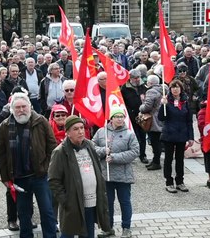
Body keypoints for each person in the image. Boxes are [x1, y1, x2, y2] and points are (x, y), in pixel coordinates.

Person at [0, 92, 57, 238]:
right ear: (12, 109)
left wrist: (47, 167)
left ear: (30, 107)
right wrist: (5, 177)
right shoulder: (4, 126)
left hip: (40, 176)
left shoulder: (41, 121)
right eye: (17, 107)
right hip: (19, 178)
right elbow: (2, 154)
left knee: (47, 211)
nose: (21, 110)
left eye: (24, 106)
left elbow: (52, 146)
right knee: (23, 214)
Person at [48, 115, 110, 238]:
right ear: (68, 132)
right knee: (68, 234)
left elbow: (97, 169)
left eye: (82, 127)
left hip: (92, 201)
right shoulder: (60, 152)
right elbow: (53, 180)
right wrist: (65, 200)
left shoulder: (90, 145)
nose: (80, 131)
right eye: (75, 129)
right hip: (73, 203)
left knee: (88, 234)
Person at [92, 105, 139, 238]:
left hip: (123, 175)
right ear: (111, 119)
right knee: (107, 203)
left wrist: (114, 157)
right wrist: (102, 151)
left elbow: (135, 152)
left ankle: (126, 227)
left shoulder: (129, 134)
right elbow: (92, 146)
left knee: (125, 202)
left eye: (121, 116)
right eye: (116, 116)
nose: (119, 119)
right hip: (105, 175)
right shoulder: (101, 132)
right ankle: (108, 227)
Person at [158, 80, 194, 193]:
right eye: (173, 87)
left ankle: (180, 181)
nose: (175, 89)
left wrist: (191, 136)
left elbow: (189, 121)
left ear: (181, 89)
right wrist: (162, 106)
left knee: (180, 159)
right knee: (168, 159)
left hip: (181, 134)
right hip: (169, 134)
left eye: (177, 87)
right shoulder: (167, 101)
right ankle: (169, 182)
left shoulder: (185, 101)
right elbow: (161, 118)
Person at [139, 75, 168, 171]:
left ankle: (156, 162)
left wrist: (141, 107)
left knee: (155, 142)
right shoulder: (164, 89)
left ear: (150, 83)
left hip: (154, 120)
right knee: (158, 141)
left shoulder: (151, 91)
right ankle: (156, 160)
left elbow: (147, 106)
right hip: (163, 119)